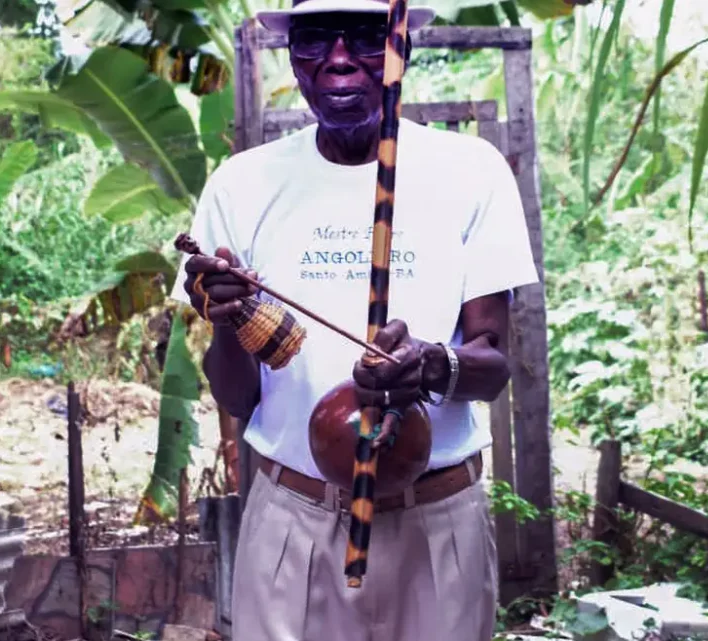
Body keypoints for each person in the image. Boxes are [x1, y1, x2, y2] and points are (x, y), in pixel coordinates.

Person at [170, 0, 539, 638]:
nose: (340, 60)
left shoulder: (472, 174)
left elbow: (492, 366)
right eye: (316, 40)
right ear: (293, 56)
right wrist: (229, 321)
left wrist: (430, 365)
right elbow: (235, 397)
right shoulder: (242, 185)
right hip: (295, 519)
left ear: (404, 47)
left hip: (437, 518)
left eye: (367, 37)